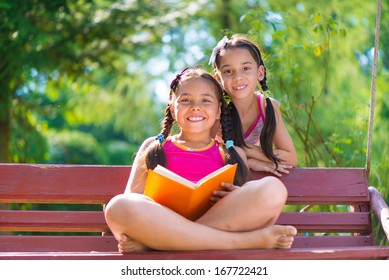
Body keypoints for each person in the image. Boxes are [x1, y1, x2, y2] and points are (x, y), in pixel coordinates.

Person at [104, 66, 296, 252]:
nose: (196, 107)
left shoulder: (233, 153)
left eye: (206, 101)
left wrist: (235, 194)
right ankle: (240, 242)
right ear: (172, 108)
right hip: (160, 221)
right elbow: (133, 197)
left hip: (213, 220)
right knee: (118, 206)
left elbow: (243, 207)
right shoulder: (153, 147)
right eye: (186, 100)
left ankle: (162, 244)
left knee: (273, 189)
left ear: (219, 110)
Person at [209, 34, 298, 177]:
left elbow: (290, 158)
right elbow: (203, 155)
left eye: (245, 68)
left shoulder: (267, 107)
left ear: (260, 72)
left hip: (244, 179)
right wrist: (250, 162)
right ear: (218, 79)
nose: (238, 77)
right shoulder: (216, 111)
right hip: (219, 177)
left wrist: (246, 150)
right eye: (228, 71)